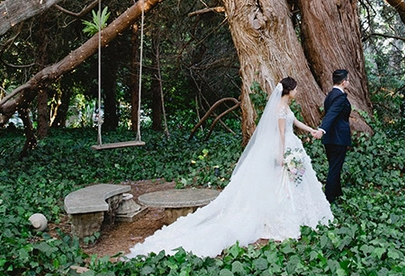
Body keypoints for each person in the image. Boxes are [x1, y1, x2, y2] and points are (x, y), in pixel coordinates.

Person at [126, 77, 332, 259]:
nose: (297, 91)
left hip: (292, 145)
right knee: (282, 185)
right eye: (295, 89)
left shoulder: (286, 107)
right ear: (289, 90)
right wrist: (281, 154)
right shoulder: (279, 109)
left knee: (294, 183)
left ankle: (298, 215)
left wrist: (312, 130)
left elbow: (295, 122)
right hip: (284, 148)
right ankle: (280, 218)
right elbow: (280, 134)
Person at [317, 69, 352, 203]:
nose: (348, 82)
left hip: (330, 138)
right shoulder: (340, 97)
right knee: (334, 169)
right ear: (343, 82)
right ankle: (329, 198)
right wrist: (322, 130)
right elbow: (331, 114)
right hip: (338, 138)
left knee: (334, 166)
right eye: (348, 80)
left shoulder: (330, 95)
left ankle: (337, 193)